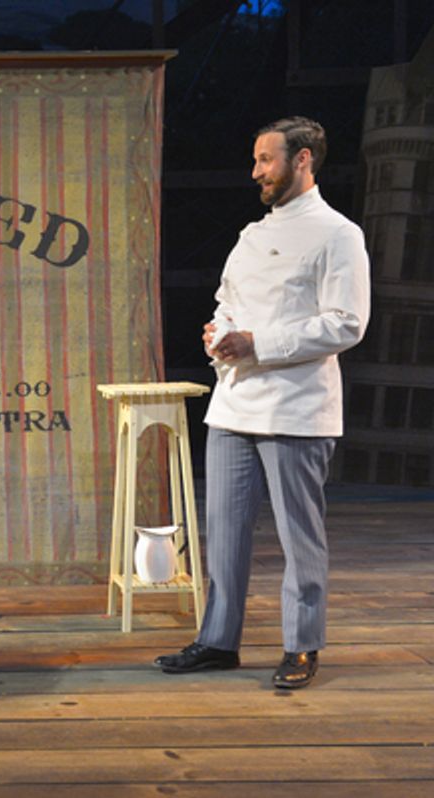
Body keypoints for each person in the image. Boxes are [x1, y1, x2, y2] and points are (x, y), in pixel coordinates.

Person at [156, 117, 370, 688]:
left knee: (300, 536)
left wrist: (258, 343)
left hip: (296, 409)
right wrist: (219, 331)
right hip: (234, 405)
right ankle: (218, 640)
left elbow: (347, 323)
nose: (256, 172)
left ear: (303, 161)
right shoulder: (252, 235)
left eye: (266, 160)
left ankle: (303, 645)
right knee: (222, 532)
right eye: (255, 160)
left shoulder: (337, 233)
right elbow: (227, 298)